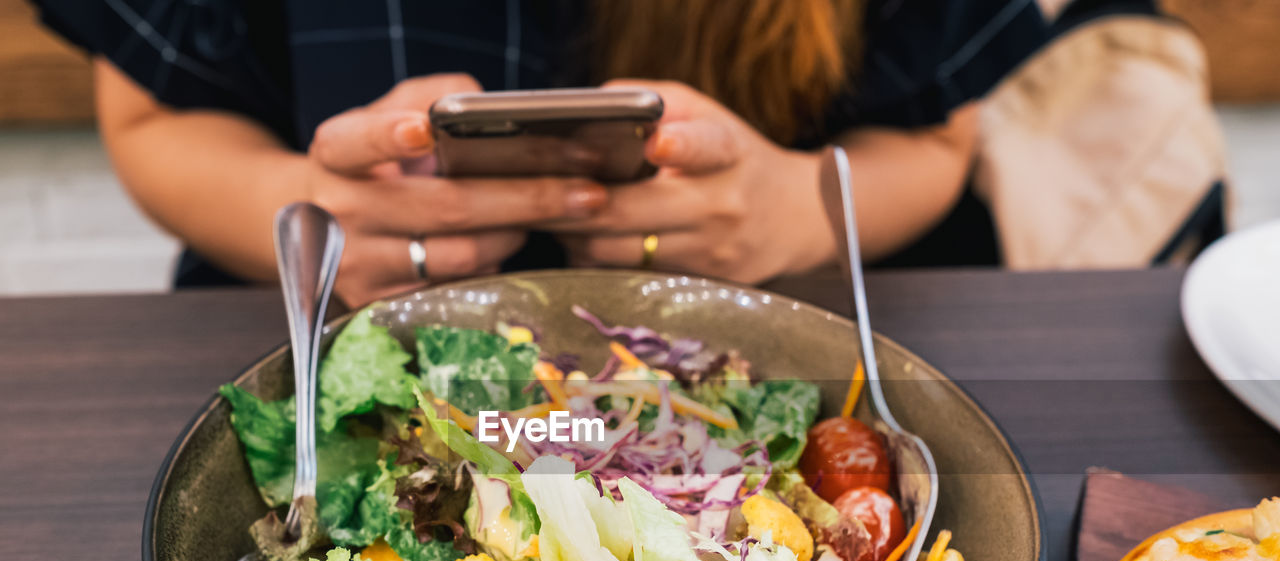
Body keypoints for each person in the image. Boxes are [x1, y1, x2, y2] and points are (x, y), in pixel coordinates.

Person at [35, 0, 1046, 307]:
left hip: (783, 341)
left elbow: (930, 135)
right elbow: (155, 120)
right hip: (322, 356)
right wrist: (305, 212)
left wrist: (798, 213)